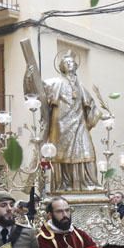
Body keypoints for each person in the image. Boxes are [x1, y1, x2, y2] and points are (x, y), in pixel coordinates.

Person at [24, 49, 106, 191]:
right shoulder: (55, 83)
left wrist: (100, 115)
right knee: (62, 155)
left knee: (88, 152)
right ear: (62, 66)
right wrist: (29, 77)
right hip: (61, 125)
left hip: (79, 125)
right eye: (66, 62)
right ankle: (64, 185)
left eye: (72, 62)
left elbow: (91, 105)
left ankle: (89, 183)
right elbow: (36, 90)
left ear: (75, 66)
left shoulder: (80, 86)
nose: (70, 64)